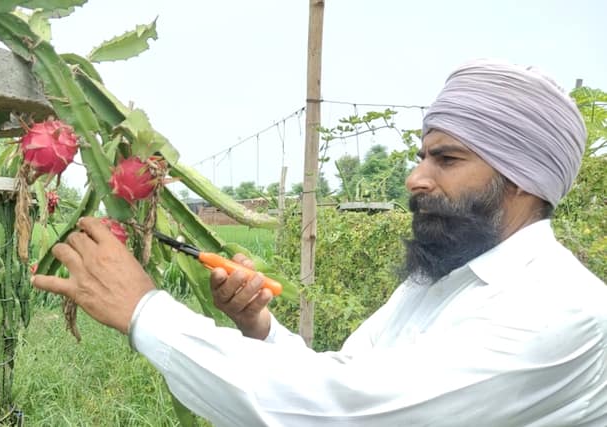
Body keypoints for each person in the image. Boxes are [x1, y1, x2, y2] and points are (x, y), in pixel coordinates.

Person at [31, 59, 607, 426]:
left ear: (524, 180)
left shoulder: (561, 311)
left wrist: (144, 311)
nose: (415, 177)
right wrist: (260, 329)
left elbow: (344, 414)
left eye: (447, 159)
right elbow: (346, 375)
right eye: (422, 153)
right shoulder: (440, 279)